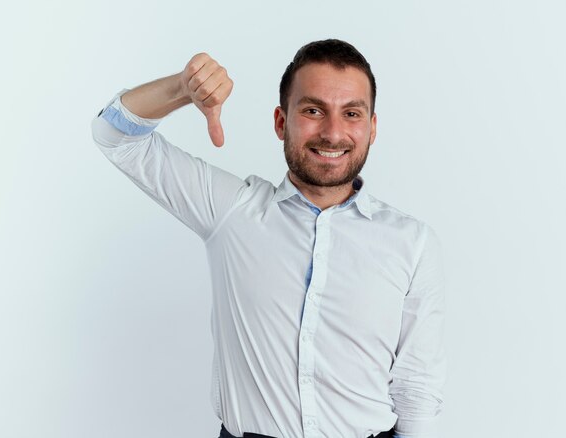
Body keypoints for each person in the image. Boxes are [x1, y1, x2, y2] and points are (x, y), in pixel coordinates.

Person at [92, 39, 445, 438]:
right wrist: (181, 89)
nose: (333, 133)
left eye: (351, 113)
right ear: (281, 122)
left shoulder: (412, 243)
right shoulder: (232, 210)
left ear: (372, 128)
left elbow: (417, 389)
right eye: (313, 110)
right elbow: (114, 135)